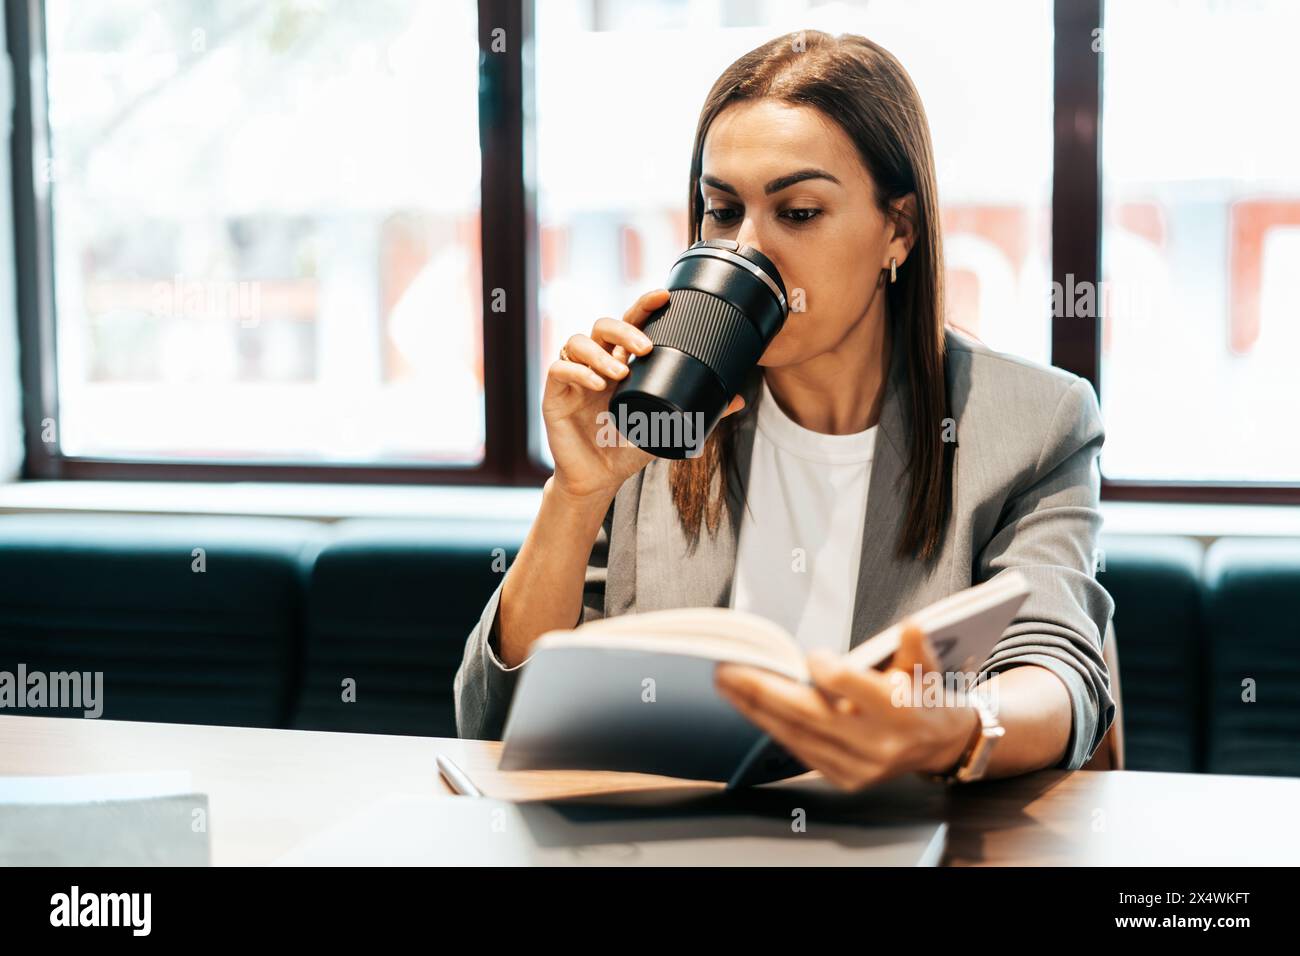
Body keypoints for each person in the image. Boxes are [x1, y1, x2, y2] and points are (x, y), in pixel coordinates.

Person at [454, 30, 1114, 790]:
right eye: (721, 211)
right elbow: (495, 721)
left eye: (798, 212)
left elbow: (1059, 671)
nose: (747, 251)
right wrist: (576, 496)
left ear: (896, 231)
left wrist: (951, 726)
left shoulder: (1033, 423)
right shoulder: (663, 404)